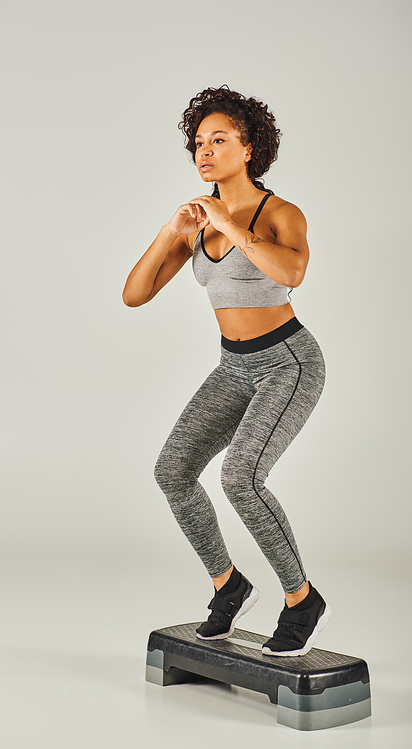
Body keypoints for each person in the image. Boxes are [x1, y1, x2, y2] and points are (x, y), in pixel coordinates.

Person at [122, 86, 331, 657]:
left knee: (241, 478)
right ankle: (228, 584)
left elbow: (292, 271)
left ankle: (301, 598)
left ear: (249, 146)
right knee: (173, 470)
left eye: (219, 140)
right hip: (233, 367)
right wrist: (172, 230)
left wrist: (230, 223)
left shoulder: (282, 213)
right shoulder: (194, 223)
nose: (204, 152)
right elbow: (134, 295)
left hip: (287, 363)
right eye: (198, 144)